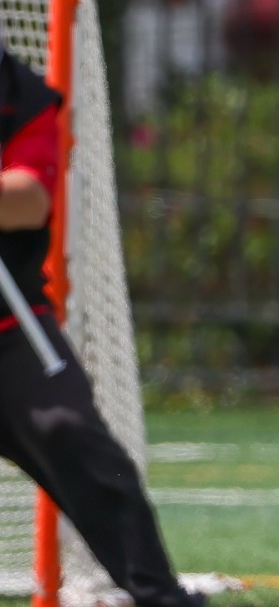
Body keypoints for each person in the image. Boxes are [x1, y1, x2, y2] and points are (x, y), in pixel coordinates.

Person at [0, 47, 205, 607]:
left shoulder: (22, 95)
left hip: (11, 329)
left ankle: (157, 594)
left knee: (69, 429)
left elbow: (28, 200)